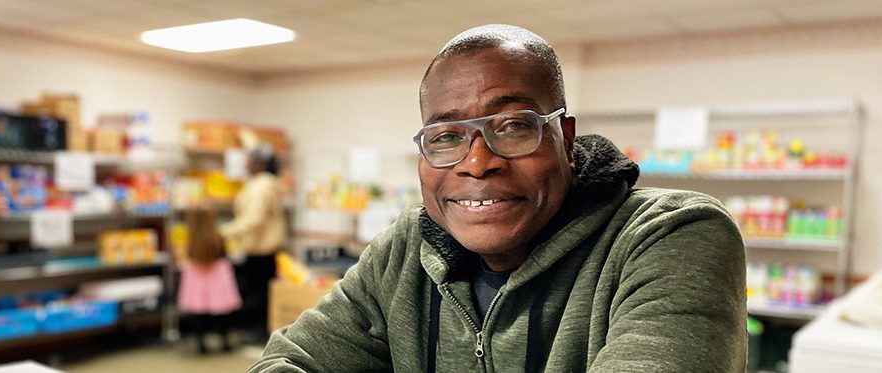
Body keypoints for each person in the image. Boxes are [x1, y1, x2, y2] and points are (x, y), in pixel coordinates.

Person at [252, 24, 746, 372]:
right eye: (446, 136)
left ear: (566, 139)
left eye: (512, 126)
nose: (475, 161)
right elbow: (288, 363)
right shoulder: (406, 249)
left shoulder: (669, 235)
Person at [220, 144, 288, 341]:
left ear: (259, 163)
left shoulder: (262, 186)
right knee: (259, 290)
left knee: (260, 293)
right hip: (259, 248)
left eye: (248, 159)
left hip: (262, 249)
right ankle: (258, 329)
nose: (245, 163)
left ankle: (260, 332)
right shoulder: (262, 183)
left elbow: (254, 218)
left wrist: (224, 232)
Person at [177, 208, 241, 354]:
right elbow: (224, 254)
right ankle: (225, 342)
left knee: (199, 313)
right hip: (217, 275)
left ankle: (201, 345)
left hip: (197, 276)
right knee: (223, 312)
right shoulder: (218, 236)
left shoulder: (190, 238)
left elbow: (187, 255)